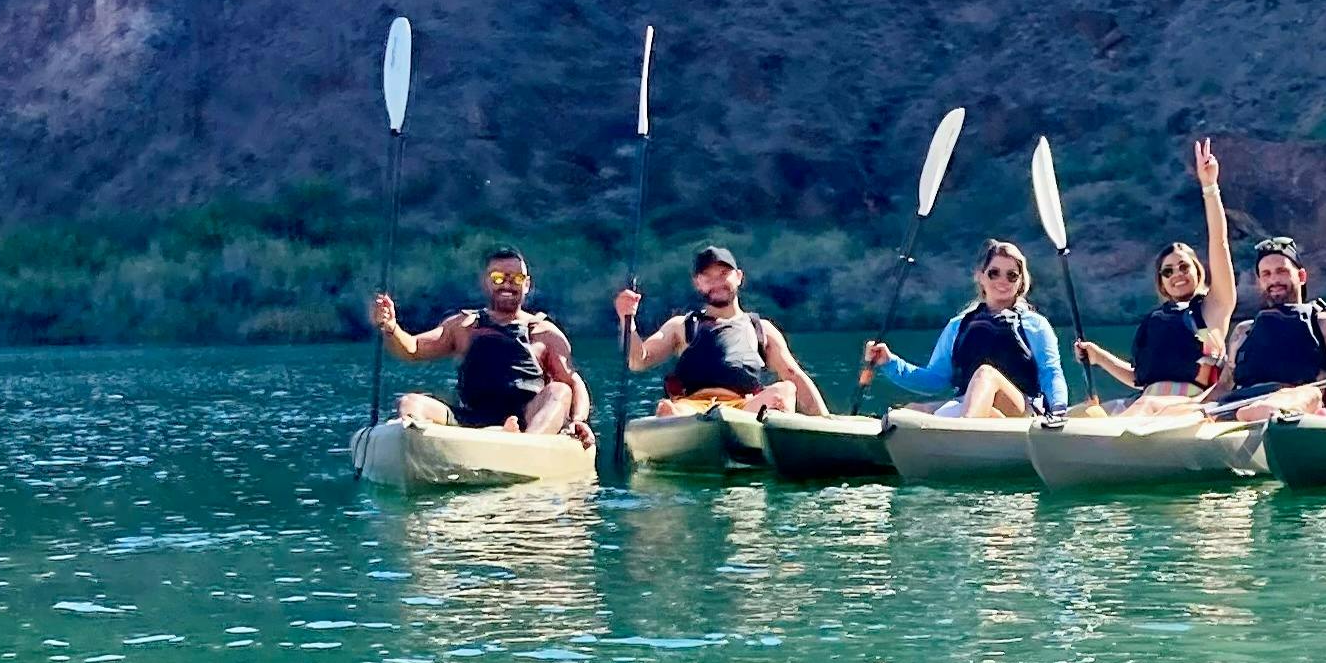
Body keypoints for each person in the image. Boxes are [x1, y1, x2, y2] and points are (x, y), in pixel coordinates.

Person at [371, 247, 594, 445]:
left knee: (559, 390)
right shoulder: (463, 325)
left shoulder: (545, 332)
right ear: (486, 281)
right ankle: (417, 447)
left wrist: (578, 421)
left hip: (527, 420)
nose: (507, 284)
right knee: (410, 402)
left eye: (515, 278)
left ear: (527, 284)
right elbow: (413, 348)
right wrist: (391, 327)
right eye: (498, 278)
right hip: (471, 420)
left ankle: (524, 446)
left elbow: (573, 383)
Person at [1076, 140, 1236, 401]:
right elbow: (1139, 378)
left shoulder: (1214, 308)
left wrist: (1210, 186)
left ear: (1198, 270)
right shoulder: (1156, 322)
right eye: (1168, 271)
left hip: (1189, 407)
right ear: (1161, 283)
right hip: (1146, 402)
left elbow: (1219, 242)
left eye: (1184, 266)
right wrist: (1098, 356)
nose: (1177, 274)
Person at [613, 245, 829, 417]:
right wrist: (627, 319)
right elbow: (638, 360)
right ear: (698, 283)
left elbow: (793, 374)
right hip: (692, 408)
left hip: (745, 409)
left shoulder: (762, 329)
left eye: (723, 274)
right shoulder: (681, 325)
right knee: (667, 409)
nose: (716, 283)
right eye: (708, 277)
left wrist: (824, 419)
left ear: (739, 276)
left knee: (785, 391)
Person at [865, 239, 1071, 418]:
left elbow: (1050, 372)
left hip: (1023, 409)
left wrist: (1059, 409)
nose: (1002, 281)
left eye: (1012, 275)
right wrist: (890, 362)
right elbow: (934, 380)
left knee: (986, 374)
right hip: (969, 405)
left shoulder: (1036, 325)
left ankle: (963, 434)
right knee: (912, 411)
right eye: (994, 273)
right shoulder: (958, 326)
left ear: (1021, 282)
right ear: (981, 277)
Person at [1207, 236, 1326, 421]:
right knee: (1176, 405)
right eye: (1267, 274)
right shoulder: (1243, 331)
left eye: (1282, 271)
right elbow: (1224, 385)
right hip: (1241, 401)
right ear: (1259, 282)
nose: (1274, 280)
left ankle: (1262, 411)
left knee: (1310, 394)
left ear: (1301, 276)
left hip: (1299, 401)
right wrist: (1196, 405)